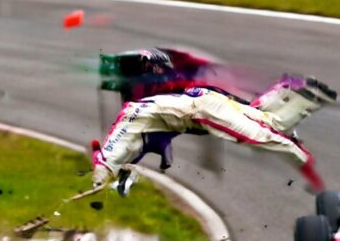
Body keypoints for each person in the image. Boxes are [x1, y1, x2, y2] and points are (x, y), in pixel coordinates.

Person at [90, 81, 333, 193]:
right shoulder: (143, 112)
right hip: (206, 100)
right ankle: (295, 92)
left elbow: (111, 151)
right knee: (268, 122)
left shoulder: (132, 115)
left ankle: (305, 162)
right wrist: (109, 167)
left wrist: (100, 176)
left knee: (259, 137)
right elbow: (122, 151)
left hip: (202, 111)